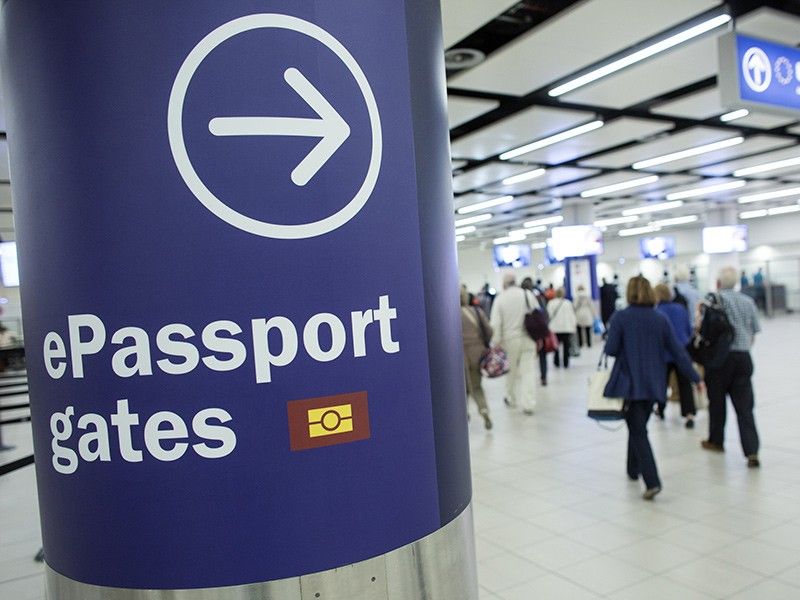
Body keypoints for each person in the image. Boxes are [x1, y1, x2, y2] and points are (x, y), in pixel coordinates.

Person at [604, 276, 703, 500]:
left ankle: (652, 481)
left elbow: (610, 349)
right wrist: (695, 377)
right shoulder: (660, 319)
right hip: (654, 383)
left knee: (638, 429)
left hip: (630, 383)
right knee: (637, 424)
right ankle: (632, 468)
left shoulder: (621, 317)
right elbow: (678, 352)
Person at [702, 267, 762, 468]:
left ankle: (716, 441)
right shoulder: (748, 302)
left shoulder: (713, 301)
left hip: (720, 360)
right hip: (743, 358)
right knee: (745, 407)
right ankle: (751, 450)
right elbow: (754, 333)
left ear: (718, 283)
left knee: (717, 403)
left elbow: (704, 331)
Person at [490, 274, 537, 415]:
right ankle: (529, 404)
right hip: (528, 338)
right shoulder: (527, 295)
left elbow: (495, 324)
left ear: (504, 284)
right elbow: (537, 314)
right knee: (528, 372)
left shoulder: (500, 299)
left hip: (510, 341)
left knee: (511, 372)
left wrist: (495, 342)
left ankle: (511, 398)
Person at [654, 284, 696, 428]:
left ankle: (660, 409)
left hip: (664, 354)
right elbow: (688, 329)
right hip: (682, 351)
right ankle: (689, 413)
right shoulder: (680, 308)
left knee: (662, 383)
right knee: (685, 384)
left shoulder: (657, 312)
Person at [460, 288, 493, 430]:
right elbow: (489, 331)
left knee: (461, 389)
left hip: (459, 358)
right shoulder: (477, 312)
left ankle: (463, 414)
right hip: (477, 354)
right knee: (476, 386)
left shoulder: (448, 315)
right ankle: (484, 411)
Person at [522, 277, 549, 385]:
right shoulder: (539, 297)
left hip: (527, 332)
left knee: (528, 358)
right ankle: (543, 377)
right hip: (539, 330)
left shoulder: (520, 299)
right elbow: (545, 314)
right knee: (542, 355)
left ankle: (528, 379)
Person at [547, 288, 577, 369]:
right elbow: (572, 316)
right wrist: (574, 326)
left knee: (556, 346)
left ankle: (556, 362)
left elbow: (549, 315)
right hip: (566, 328)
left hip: (555, 328)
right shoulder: (568, 303)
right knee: (566, 346)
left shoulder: (551, 303)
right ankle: (566, 363)